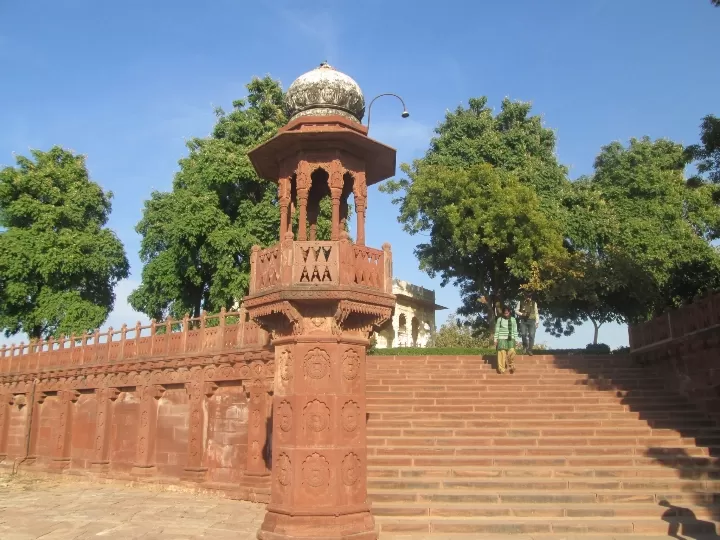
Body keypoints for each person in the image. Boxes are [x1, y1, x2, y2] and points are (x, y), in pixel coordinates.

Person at [494, 305, 518, 374]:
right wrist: (495, 339)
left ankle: (511, 364)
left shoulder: (513, 319)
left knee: (512, 351)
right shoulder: (500, 319)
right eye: (505, 313)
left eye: (507, 313)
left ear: (509, 312)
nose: (506, 314)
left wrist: (516, 339)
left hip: (511, 337)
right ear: (503, 313)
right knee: (501, 353)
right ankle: (501, 369)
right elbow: (497, 329)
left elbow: (515, 330)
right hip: (501, 338)